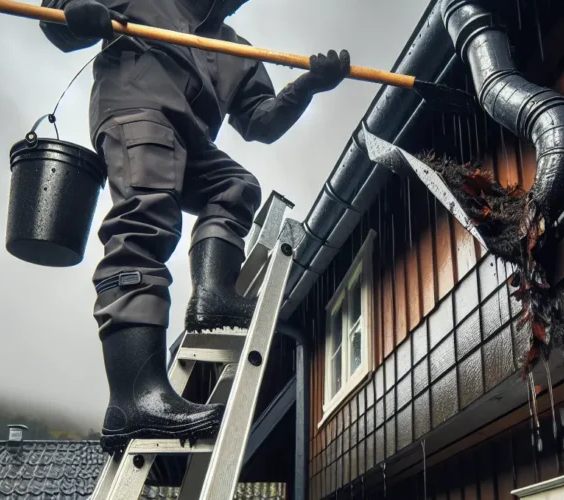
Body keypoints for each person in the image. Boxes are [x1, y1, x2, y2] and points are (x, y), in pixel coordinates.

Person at [39, 0, 351, 453]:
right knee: (145, 221)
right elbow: (60, 20)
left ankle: (213, 295)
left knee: (235, 186)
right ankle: (133, 396)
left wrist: (308, 86)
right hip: (135, 109)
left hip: (191, 139)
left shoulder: (236, 49)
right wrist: (75, 15)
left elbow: (261, 123)